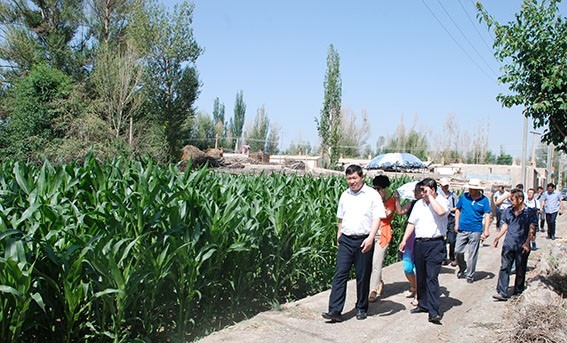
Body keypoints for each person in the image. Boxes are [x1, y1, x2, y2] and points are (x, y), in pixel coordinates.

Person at [322, 165, 386, 322]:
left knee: (362, 276)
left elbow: (378, 217)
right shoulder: (345, 195)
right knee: (340, 274)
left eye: (354, 178)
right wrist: (339, 235)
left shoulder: (372, 195)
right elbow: (341, 218)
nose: (351, 182)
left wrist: (371, 238)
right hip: (346, 240)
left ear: (362, 178)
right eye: (349, 179)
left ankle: (361, 307)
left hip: (364, 239)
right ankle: (335, 311)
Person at [399, 178, 449, 324]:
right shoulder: (418, 205)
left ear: (433, 190)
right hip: (419, 243)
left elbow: (440, 212)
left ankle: (434, 311)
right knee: (420, 275)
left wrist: (431, 198)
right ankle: (422, 303)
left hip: (435, 243)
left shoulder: (442, 201)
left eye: (424, 190)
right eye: (421, 190)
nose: (422, 193)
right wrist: (404, 240)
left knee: (431, 277)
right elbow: (411, 223)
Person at [492, 189, 537, 301]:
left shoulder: (530, 212)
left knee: (520, 268)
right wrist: (498, 236)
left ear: (520, 199)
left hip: (521, 245)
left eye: (512, 199)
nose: (510, 201)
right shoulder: (508, 211)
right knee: (504, 267)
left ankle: (518, 291)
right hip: (509, 244)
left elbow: (532, 229)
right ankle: (503, 292)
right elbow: (505, 225)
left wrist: (527, 243)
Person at [454, 178, 491, 284]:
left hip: (475, 230)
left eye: (473, 188)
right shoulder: (464, 197)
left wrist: (486, 230)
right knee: (458, 251)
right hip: (462, 228)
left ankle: (470, 274)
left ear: (478, 189)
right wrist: (457, 224)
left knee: (472, 253)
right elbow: (458, 209)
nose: (470, 190)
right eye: (470, 188)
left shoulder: (484, 200)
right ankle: (462, 267)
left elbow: (487, 214)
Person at [394, 181, 424, 306]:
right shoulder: (412, 204)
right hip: (410, 236)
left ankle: (418, 293)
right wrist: (397, 199)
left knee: (418, 268)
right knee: (407, 266)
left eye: (417, 191)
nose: (415, 193)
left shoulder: (429, 205)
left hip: (421, 236)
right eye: (415, 191)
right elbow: (400, 211)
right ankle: (414, 286)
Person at [368, 175, 396, 302]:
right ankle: (378, 281)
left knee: (376, 262)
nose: (376, 191)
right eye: (374, 188)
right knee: (369, 263)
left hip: (382, 235)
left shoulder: (390, 201)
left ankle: (372, 290)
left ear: (385, 189)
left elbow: (386, 214)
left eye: (378, 188)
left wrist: (378, 202)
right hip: (370, 235)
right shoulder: (371, 200)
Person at [438, 178, 459, 266]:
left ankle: (452, 257)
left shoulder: (453, 196)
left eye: (446, 186)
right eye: (444, 186)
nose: (445, 188)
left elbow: (458, 207)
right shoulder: (438, 196)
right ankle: (443, 258)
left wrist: (450, 209)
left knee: (452, 239)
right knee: (442, 238)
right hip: (442, 218)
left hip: (451, 217)